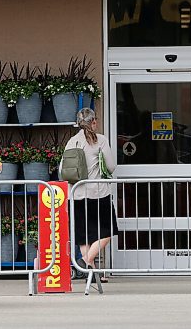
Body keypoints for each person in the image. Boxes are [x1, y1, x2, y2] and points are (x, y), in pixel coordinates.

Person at [65, 108, 117, 283]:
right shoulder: (100, 140)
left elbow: (62, 169)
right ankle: (85, 262)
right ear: (93, 121)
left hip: (75, 193)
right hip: (98, 193)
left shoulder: (71, 142)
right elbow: (111, 166)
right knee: (107, 231)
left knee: (83, 236)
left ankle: (90, 273)